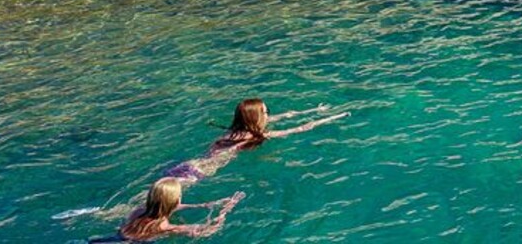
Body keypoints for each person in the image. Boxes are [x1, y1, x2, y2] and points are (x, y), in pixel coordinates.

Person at [166, 98, 348, 181]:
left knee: (150, 199)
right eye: (267, 112)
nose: (270, 115)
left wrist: (313, 110)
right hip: (201, 171)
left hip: (190, 164)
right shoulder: (259, 135)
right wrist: (334, 117)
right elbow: (301, 128)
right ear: (258, 118)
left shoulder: (236, 130)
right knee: (156, 209)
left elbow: (286, 116)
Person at [93, 179, 242, 241]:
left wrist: (204, 205)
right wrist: (225, 211)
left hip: (109, 239)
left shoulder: (139, 211)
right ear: (176, 200)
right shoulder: (165, 227)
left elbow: (165, 206)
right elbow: (207, 230)